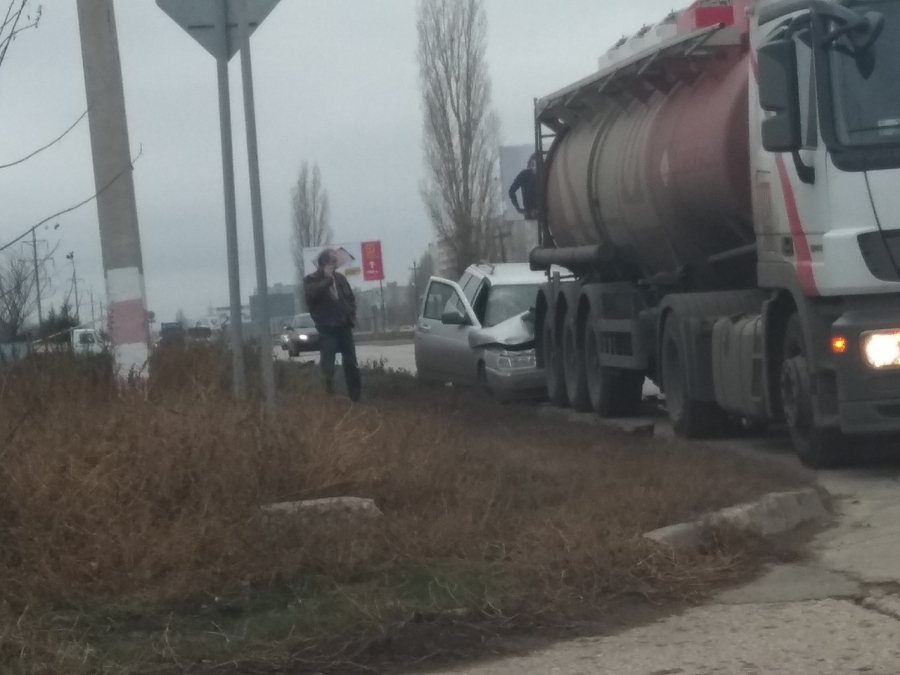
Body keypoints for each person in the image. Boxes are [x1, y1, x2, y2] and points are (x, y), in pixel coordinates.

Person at [303, 248, 361, 401]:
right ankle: (328, 395)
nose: (336, 263)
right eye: (333, 261)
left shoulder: (341, 279)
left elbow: (350, 299)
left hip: (344, 326)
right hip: (327, 328)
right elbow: (311, 296)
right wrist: (327, 279)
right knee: (328, 364)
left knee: (350, 362)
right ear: (324, 263)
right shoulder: (311, 280)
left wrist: (351, 314)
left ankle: (356, 396)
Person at [508, 153, 538, 221]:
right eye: (534, 165)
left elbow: (511, 191)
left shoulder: (525, 174)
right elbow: (511, 191)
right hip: (532, 214)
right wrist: (518, 209)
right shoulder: (525, 175)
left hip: (539, 212)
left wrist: (519, 209)